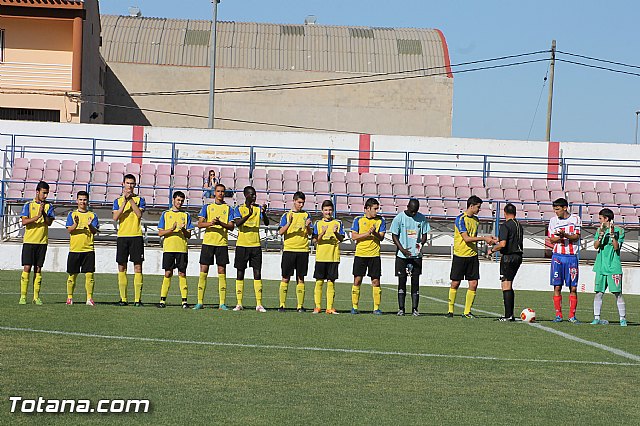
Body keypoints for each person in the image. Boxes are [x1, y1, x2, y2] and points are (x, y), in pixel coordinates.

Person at [447, 195, 497, 318]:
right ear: (471, 206)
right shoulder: (460, 219)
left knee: (473, 283)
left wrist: (490, 238)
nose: (479, 209)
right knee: (455, 283)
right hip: (460, 255)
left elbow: (474, 236)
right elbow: (466, 238)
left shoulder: (476, 220)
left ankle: (467, 312)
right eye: (478, 207)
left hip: (472, 256)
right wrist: (484, 238)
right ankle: (450, 310)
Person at [194, 183, 236, 310]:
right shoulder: (207, 207)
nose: (220, 193)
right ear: (214, 193)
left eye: (222, 191)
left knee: (222, 271)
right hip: (208, 243)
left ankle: (222, 303)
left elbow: (231, 226)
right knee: (203, 270)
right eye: (218, 191)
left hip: (221, 243)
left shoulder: (229, 208)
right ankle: (200, 301)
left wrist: (220, 223)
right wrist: (211, 223)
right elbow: (199, 224)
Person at [390, 198, 430, 316]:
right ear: (407, 207)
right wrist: (402, 249)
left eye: (415, 212)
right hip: (402, 255)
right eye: (412, 211)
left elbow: (424, 235)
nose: (413, 214)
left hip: (416, 256)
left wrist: (420, 244)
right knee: (402, 280)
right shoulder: (399, 218)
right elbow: (394, 235)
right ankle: (401, 308)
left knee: (415, 282)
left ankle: (415, 309)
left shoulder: (421, 218)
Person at [233, 186, 269, 312]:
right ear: (245, 195)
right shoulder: (239, 208)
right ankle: (239, 303)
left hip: (255, 245)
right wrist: (248, 214)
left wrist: (264, 213)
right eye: (251, 195)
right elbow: (237, 223)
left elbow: (267, 222)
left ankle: (259, 304)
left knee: (257, 273)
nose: (254, 197)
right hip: (242, 245)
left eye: (255, 194)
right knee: (240, 273)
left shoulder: (258, 208)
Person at [112, 173, 146, 306]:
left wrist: (131, 200)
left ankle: (137, 300)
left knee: (138, 267)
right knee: (122, 266)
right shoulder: (117, 201)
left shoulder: (140, 199)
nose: (130, 186)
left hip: (136, 236)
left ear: (135, 185)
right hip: (122, 236)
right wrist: (125, 201)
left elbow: (139, 214)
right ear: (123, 184)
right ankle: (123, 299)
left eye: (132, 184)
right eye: (127, 183)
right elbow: (115, 217)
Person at [19, 180, 55, 305]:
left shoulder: (49, 206)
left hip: (42, 242)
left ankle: (36, 297)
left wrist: (43, 213)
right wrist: (37, 216)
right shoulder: (28, 205)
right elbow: (24, 222)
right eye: (43, 193)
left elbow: (49, 223)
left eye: (47, 193)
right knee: (27, 267)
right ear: (37, 192)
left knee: (38, 268)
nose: (45, 196)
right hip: (29, 241)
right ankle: (23, 296)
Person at [548, 197, 581, 323]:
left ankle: (572, 316)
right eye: (554, 210)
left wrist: (564, 235)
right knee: (557, 286)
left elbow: (576, 237)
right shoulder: (553, 221)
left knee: (573, 288)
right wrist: (561, 237)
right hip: (557, 257)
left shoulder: (575, 219)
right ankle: (558, 315)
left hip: (571, 257)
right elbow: (551, 239)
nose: (556, 212)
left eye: (558, 209)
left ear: (565, 208)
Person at [158, 191, 193, 309]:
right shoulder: (166, 214)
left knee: (182, 273)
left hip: (182, 249)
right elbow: (160, 232)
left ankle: (184, 301)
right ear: (173, 200)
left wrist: (183, 230)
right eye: (178, 200)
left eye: (182, 201)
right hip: (169, 248)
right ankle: (162, 300)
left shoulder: (186, 215)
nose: (180, 202)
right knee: (168, 273)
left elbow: (189, 235)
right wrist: (171, 229)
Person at [351, 197, 387, 315]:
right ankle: (354, 307)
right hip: (360, 254)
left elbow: (381, 237)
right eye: (375, 209)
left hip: (374, 255)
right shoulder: (358, 220)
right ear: (367, 208)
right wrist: (367, 233)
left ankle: (376, 308)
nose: (377, 211)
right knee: (357, 280)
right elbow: (354, 236)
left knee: (376, 281)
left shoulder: (381, 220)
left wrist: (375, 232)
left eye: (378, 209)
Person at [278, 191, 312, 312]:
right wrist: (289, 223)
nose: (301, 205)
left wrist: (307, 226)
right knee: (285, 277)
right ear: (294, 201)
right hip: (289, 250)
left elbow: (310, 233)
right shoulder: (286, 215)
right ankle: (282, 305)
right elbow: (280, 232)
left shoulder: (306, 215)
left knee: (301, 277)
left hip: (303, 250)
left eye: (302, 203)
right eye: (299, 202)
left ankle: (300, 306)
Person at [488, 203, 523, 321]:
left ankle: (508, 315)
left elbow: (503, 244)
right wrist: (496, 239)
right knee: (509, 283)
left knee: (506, 284)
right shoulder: (518, 225)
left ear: (504, 213)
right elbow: (509, 238)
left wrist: (492, 250)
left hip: (508, 257)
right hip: (518, 256)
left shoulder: (505, 225)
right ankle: (510, 314)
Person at [591, 208, 626, 326]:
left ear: (606, 218)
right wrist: (601, 235)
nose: (599, 221)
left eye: (600, 218)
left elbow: (617, 247)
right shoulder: (599, 230)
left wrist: (612, 235)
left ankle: (622, 318)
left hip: (614, 267)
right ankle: (596, 318)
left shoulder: (619, 231)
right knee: (599, 293)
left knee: (618, 293)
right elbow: (595, 246)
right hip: (601, 266)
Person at [65, 191, 99, 306]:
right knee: (72, 274)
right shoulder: (72, 214)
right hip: (74, 249)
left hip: (88, 249)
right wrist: (76, 224)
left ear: (87, 201)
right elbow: (70, 230)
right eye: (80, 199)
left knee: (89, 274)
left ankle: (89, 298)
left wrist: (90, 225)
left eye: (84, 200)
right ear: (77, 201)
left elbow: (94, 231)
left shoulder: (93, 215)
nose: (82, 202)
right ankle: (69, 298)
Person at [311, 200, 345, 314]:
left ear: (333, 211)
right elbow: (315, 240)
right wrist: (322, 233)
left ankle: (330, 307)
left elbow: (341, 239)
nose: (328, 212)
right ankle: (318, 306)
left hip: (333, 257)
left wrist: (335, 233)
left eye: (330, 210)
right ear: (322, 211)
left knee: (331, 282)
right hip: (321, 257)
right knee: (319, 281)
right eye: (326, 210)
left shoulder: (338, 223)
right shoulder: (318, 224)